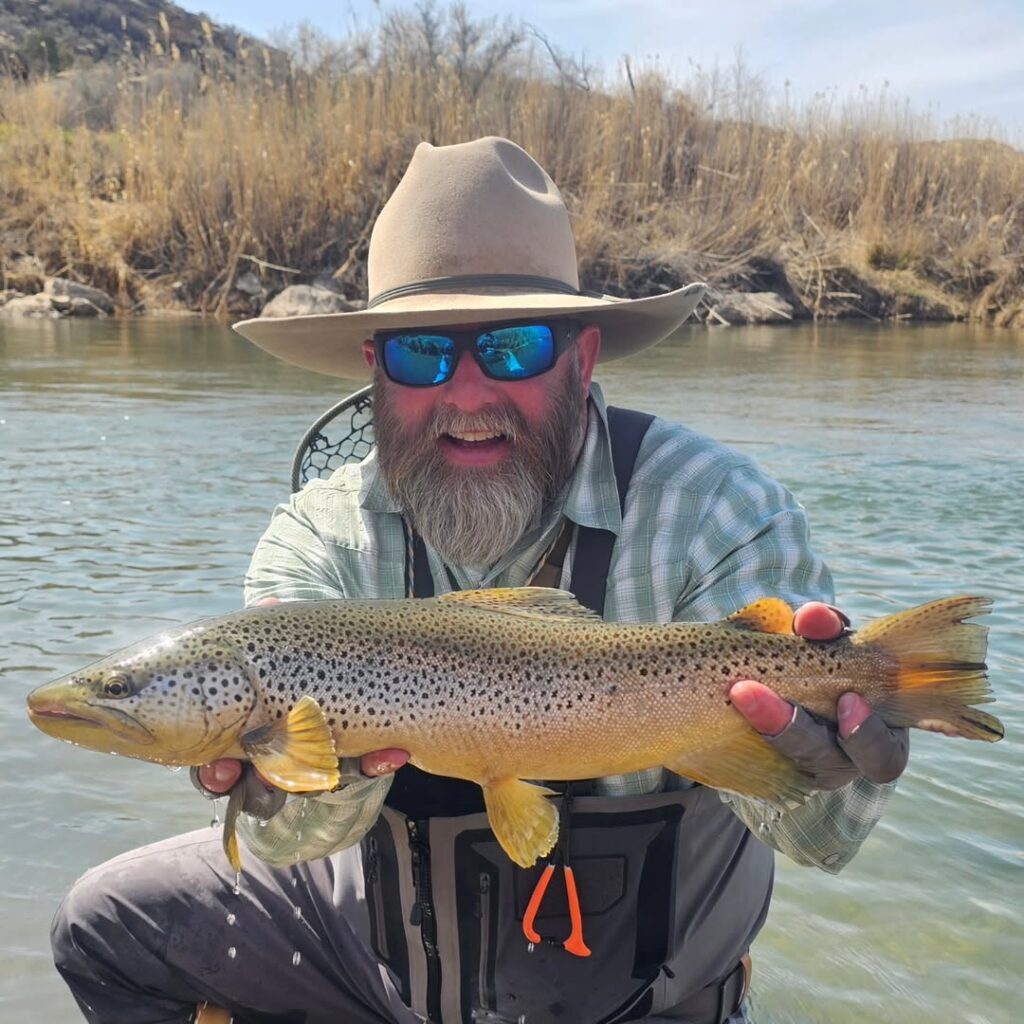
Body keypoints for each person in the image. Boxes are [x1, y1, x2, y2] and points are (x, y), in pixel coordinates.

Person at [51, 137, 908, 1024]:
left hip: (654, 994)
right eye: (423, 354)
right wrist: (290, 783)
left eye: (511, 347)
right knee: (104, 924)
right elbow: (299, 843)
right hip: (382, 959)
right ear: (376, 369)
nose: (466, 396)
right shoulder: (319, 538)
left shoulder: (717, 511)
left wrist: (833, 766)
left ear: (582, 359)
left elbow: (819, 836)